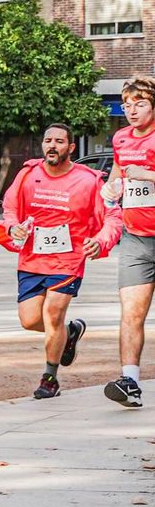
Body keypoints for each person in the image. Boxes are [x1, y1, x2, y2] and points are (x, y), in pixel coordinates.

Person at [0, 124, 121, 400]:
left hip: (68, 260)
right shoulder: (28, 175)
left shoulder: (89, 180)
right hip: (32, 258)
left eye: (59, 141)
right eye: (48, 141)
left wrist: (100, 242)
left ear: (71, 148)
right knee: (30, 320)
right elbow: (10, 209)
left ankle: (49, 378)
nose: (52, 146)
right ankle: (70, 332)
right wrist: (12, 227)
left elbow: (112, 217)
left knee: (52, 313)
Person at [103, 76, 155, 408]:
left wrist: (149, 175)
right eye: (126, 105)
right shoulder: (121, 138)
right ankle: (129, 381)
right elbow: (118, 175)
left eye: (139, 104)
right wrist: (110, 191)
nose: (131, 111)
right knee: (131, 314)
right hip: (135, 238)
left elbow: (141, 175)